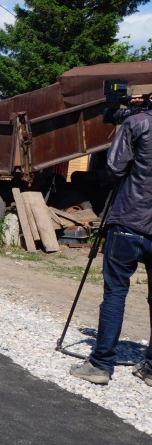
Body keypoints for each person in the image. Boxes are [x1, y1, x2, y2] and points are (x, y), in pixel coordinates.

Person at [70, 95, 152, 387]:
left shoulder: (137, 123)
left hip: (130, 219)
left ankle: (101, 364)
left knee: (116, 292)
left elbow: (115, 169)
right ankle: (151, 368)